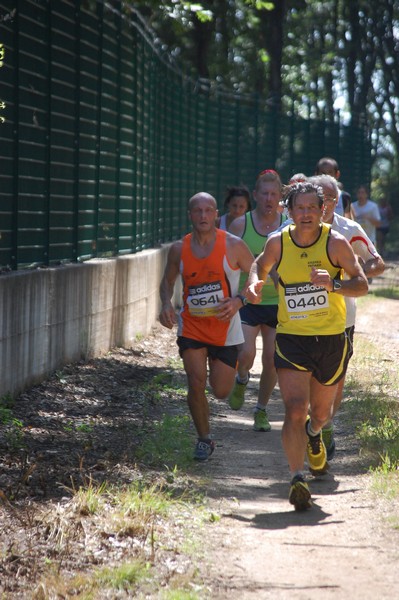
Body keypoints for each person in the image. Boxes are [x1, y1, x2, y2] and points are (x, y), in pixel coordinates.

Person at [247, 181, 369, 511]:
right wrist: (254, 282)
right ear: (289, 211)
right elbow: (259, 264)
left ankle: (315, 435)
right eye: (299, 208)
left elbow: (362, 284)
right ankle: (297, 476)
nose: (305, 214)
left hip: (331, 338)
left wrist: (334, 283)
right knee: (295, 408)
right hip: (292, 339)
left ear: (322, 211)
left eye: (311, 209)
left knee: (321, 413)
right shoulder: (278, 243)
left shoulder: (336, 243)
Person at [159, 192, 257, 461]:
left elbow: (258, 274)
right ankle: (204, 439)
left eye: (208, 211)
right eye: (197, 211)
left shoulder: (233, 246)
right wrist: (166, 304)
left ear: (216, 214)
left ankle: (236, 375)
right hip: (191, 326)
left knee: (221, 390)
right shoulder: (179, 249)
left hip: (225, 328)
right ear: (190, 215)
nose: (203, 216)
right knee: (195, 382)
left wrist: (240, 300)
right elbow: (167, 281)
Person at [309, 174, 385, 459]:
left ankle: (325, 424)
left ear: (337, 201)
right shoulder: (294, 228)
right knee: (306, 377)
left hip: (342, 318)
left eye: (331, 199)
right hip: (301, 318)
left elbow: (377, 262)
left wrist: (353, 274)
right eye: (321, 197)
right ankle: (313, 422)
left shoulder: (348, 229)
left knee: (336, 378)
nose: (325, 204)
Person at [228, 169, 288, 432]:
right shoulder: (241, 224)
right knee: (246, 354)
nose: (269, 198)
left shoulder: (288, 224)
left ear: (280, 196)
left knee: (272, 360)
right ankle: (241, 379)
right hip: (248, 300)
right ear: (255, 195)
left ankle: (261, 410)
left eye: (274, 194)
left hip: (278, 303)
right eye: (264, 193)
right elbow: (228, 262)